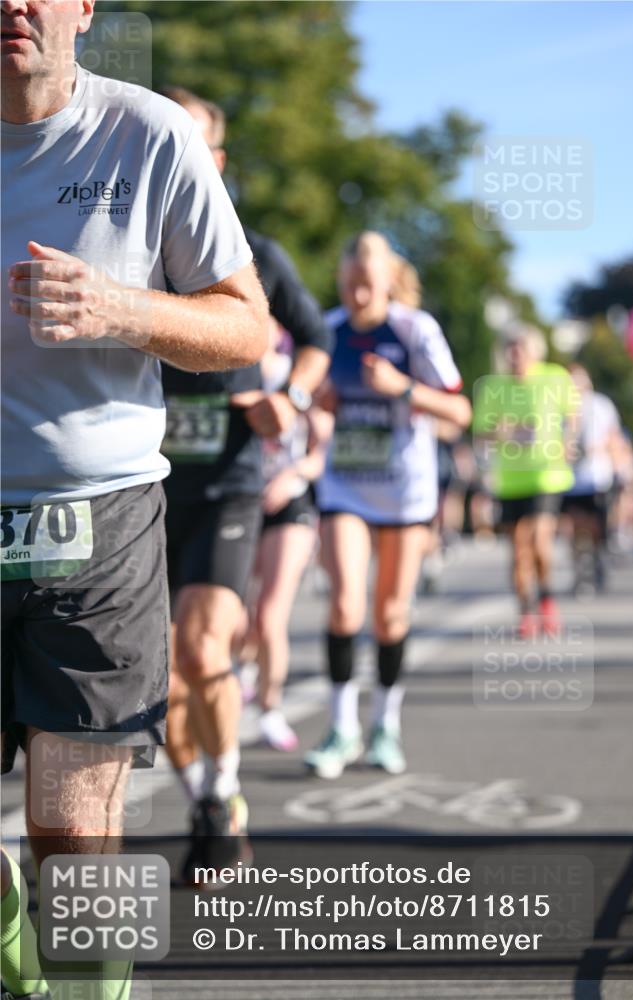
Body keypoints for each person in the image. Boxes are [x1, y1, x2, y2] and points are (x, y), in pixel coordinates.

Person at [1, 3, 268, 999]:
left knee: (73, 834)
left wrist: (119, 308)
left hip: (96, 521)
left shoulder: (147, 133)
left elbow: (246, 328)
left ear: (83, 8)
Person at [156, 87, 331, 854]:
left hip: (228, 481)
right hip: (141, 488)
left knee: (203, 648)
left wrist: (289, 398)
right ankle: (203, 799)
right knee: (157, 677)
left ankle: (224, 791)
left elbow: (315, 337)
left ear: (217, 161)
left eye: (189, 143)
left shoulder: (255, 252)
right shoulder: (128, 252)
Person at [304, 232, 471, 779]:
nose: (357, 296)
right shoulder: (326, 330)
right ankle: (340, 727)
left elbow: (459, 412)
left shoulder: (414, 330)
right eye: (349, 284)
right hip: (346, 487)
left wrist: (402, 387)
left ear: (389, 282)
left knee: (391, 613)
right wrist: (319, 403)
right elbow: (309, 402)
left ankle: (385, 725)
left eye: (368, 285)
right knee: (344, 606)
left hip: (404, 490)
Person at [239, 321, 332, 750]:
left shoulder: (300, 374)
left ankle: (270, 708)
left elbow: (320, 453)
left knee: (270, 614)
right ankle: (243, 672)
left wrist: (291, 476)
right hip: (240, 502)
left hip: (289, 503)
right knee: (237, 615)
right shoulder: (231, 370)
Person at [473, 327, 578, 637]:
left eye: (520, 346)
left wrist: (568, 441)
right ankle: (526, 611)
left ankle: (546, 600)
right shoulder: (493, 386)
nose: (514, 353)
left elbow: (572, 414)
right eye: (510, 347)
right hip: (510, 479)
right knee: (519, 549)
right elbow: (480, 433)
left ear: (535, 350)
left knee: (539, 542)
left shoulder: (555, 377)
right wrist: (501, 432)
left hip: (546, 475)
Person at [560, 364, 623, 595]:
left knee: (595, 527)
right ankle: (580, 571)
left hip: (597, 476)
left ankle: (597, 559)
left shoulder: (601, 405)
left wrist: (615, 465)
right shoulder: (558, 406)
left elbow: (614, 437)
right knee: (573, 528)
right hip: (568, 479)